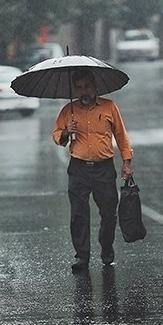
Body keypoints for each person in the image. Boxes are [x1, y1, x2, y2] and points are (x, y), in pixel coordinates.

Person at [53, 68, 134, 272]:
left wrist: (127, 162)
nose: (84, 91)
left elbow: (121, 135)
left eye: (87, 86)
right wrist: (66, 132)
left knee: (108, 213)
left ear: (95, 86)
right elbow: (57, 136)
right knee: (78, 214)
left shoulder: (109, 107)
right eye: (79, 88)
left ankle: (106, 247)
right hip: (78, 169)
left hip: (104, 169)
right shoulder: (69, 111)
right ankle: (82, 256)